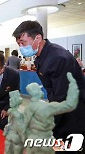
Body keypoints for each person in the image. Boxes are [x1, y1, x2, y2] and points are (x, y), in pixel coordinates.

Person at [13, 20, 85, 153]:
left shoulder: (57, 58)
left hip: (72, 115)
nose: (21, 47)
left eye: (23, 42)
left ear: (38, 38)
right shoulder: (42, 56)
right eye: (19, 44)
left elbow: (62, 98)